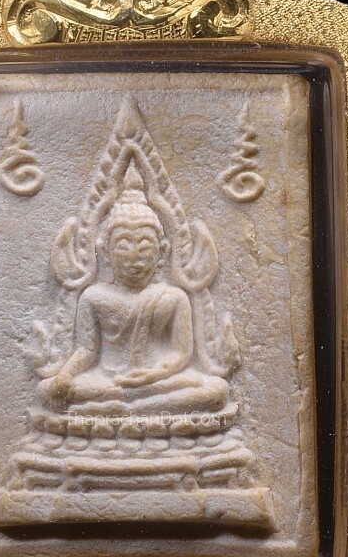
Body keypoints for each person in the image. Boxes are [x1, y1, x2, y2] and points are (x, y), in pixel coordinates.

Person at [38, 163, 229, 418]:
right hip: (107, 380)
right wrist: (65, 375)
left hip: (158, 381)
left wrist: (155, 374)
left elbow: (180, 352)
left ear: (162, 251)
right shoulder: (94, 297)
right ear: (104, 251)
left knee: (214, 391)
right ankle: (138, 410)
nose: (134, 255)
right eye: (123, 245)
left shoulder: (174, 297)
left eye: (145, 245)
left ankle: (116, 411)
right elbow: (87, 350)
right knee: (47, 389)